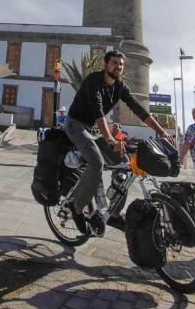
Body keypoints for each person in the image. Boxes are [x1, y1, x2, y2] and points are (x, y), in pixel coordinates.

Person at [65, 49, 174, 234]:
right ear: (106, 64)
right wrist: (110, 140)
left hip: (93, 129)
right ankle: (76, 208)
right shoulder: (94, 81)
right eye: (114, 63)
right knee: (96, 163)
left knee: (125, 165)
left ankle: (114, 214)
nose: (118, 67)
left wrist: (161, 131)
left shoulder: (119, 86)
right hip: (77, 125)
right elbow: (98, 113)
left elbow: (139, 109)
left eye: (121, 64)